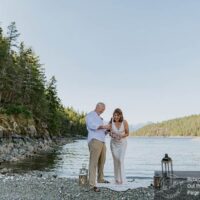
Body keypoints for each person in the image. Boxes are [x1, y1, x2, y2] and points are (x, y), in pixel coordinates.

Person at [86, 102, 111, 192]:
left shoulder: (100, 118)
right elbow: (91, 126)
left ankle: (100, 179)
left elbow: (102, 131)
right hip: (94, 140)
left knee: (102, 161)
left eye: (104, 109)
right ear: (97, 106)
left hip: (102, 141)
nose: (103, 110)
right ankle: (92, 184)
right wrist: (104, 126)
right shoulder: (90, 115)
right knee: (93, 162)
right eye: (102, 108)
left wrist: (107, 130)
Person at [109, 108, 129, 184]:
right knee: (116, 161)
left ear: (121, 115)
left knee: (121, 160)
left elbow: (127, 133)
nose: (116, 117)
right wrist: (112, 135)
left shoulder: (125, 122)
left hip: (122, 144)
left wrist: (121, 136)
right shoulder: (111, 122)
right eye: (115, 115)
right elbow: (110, 133)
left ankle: (122, 179)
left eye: (118, 115)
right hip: (113, 144)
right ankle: (117, 178)